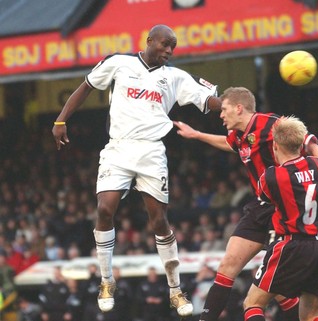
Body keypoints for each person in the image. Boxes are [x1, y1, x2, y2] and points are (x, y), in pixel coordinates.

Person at [52, 24, 221, 317]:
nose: (169, 51)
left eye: (173, 47)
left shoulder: (175, 77)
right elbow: (86, 87)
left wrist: (237, 108)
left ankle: (175, 289)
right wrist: (60, 120)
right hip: (118, 148)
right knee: (105, 209)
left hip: (151, 151)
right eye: (165, 45)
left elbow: (209, 100)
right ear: (149, 41)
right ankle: (107, 281)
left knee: (158, 221)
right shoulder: (119, 63)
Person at [174, 87, 318, 321]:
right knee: (228, 266)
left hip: (283, 207)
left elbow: (312, 146)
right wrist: (198, 135)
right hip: (261, 206)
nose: (221, 114)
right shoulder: (238, 134)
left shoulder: (272, 124)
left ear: (239, 108)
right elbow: (231, 145)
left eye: (224, 109)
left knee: (266, 294)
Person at [242, 115, 318, 321]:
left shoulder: (272, 176)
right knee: (311, 315)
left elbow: (264, 198)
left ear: (275, 145)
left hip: (292, 246)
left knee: (253, 303)